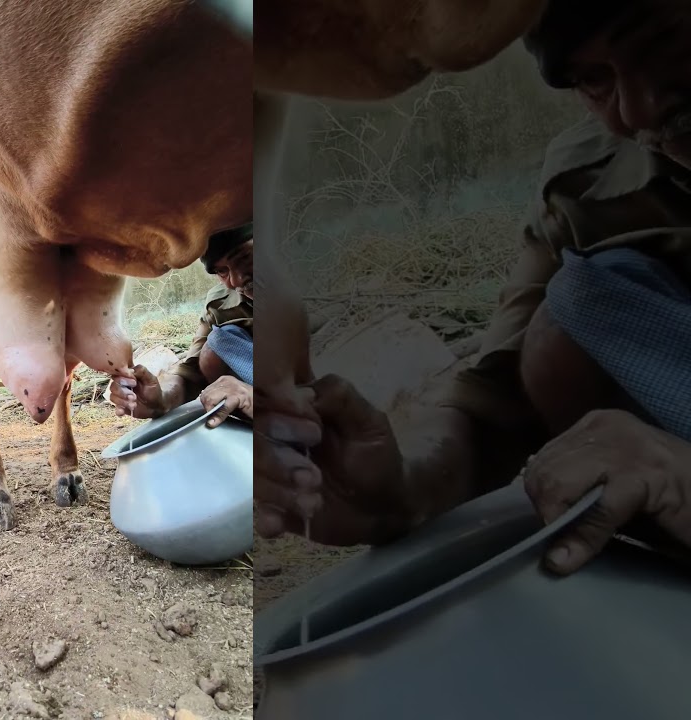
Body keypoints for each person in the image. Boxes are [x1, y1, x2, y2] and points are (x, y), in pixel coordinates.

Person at [258, 0, 691, 576]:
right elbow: (496, 402)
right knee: (562, 329)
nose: (638, 110)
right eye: (594, 80)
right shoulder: (587, 182)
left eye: (660, 44)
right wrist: (402, 488)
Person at [109, 223, 256, 428]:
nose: (235, 280)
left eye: (244, 258)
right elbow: (191, 375)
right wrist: (160, 398)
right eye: (222, 272)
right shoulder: (221, 305)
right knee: (214, 348)